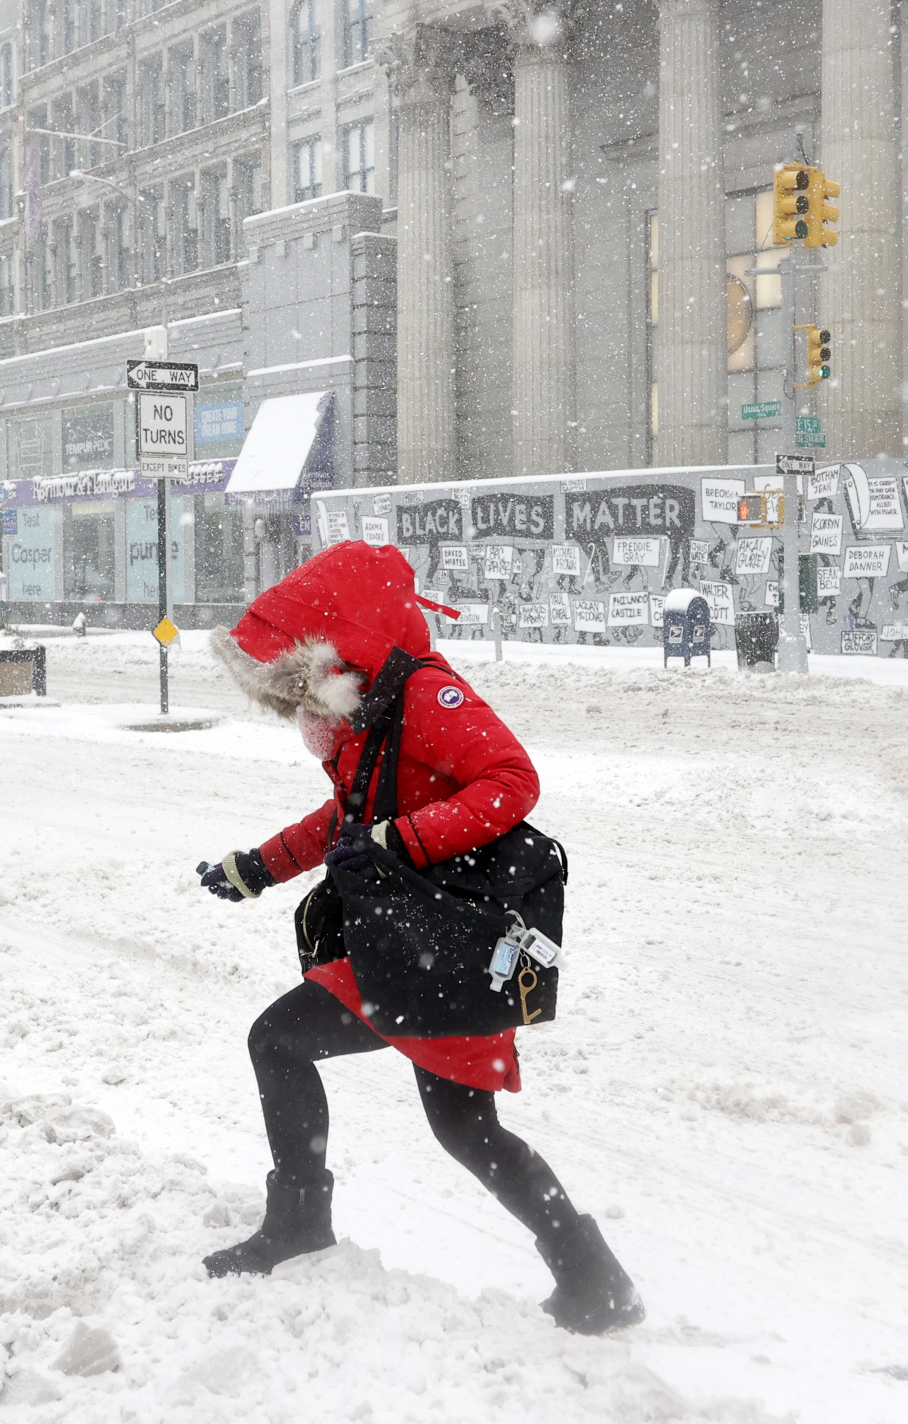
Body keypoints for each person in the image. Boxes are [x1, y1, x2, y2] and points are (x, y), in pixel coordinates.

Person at [198, 540, 643, 1336]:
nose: (301, 707)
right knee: (467, 1131)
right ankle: (594, 1278)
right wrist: (257, 867)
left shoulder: (428, 696)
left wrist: (402, 842)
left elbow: (512, 780)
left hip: (443, 944)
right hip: (406, 947)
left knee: (284, 1045)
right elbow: (348, 820)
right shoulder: (370, 714)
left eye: (303, 682)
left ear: (344, 646)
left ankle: (301, 1222)